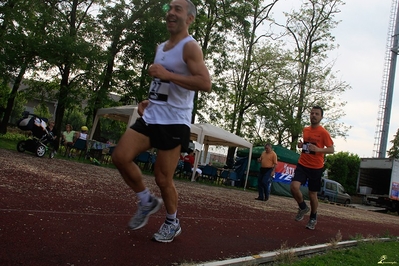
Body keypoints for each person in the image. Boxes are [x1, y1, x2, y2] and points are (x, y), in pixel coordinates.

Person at [111, 0, 211, 243]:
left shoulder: (191, 47)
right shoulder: (161, 47)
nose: (171, 13)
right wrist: (150, 98)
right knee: (120, 156)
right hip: (153, 115)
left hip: (174, 121)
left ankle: (172, 221)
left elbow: (205, 83)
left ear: (189, 19)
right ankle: (146, 201)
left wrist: (167, 75)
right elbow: (164, 83)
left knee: (163, 178)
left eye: (178, 9)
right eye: (170, 8)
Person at [290, 106, 334, 230]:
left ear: (321, 117)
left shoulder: (323, 132)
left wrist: (319, 149)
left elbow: (331, 149)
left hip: (316, 167)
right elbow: (308, 145)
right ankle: (303, 207)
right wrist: (301, 145)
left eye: (317, 114)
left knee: (312, 194)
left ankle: (313, 217)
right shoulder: (306, 130)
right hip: (303, 163)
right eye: (312, 113)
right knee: (294, 187)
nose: (313, 115)